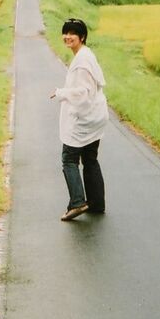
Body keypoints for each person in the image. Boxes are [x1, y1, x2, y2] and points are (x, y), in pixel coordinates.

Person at [50, 18, 108, 221]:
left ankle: (77, 202)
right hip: (96, 117)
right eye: (65, 32)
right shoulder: (86, 54)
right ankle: (96, 203)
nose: (67, 36)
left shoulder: (82, 62)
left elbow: (83, 93)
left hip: (84, 119)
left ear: (82, 37)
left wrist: (61, 93)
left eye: (72, 33)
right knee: (90, 159)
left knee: (69, 159)